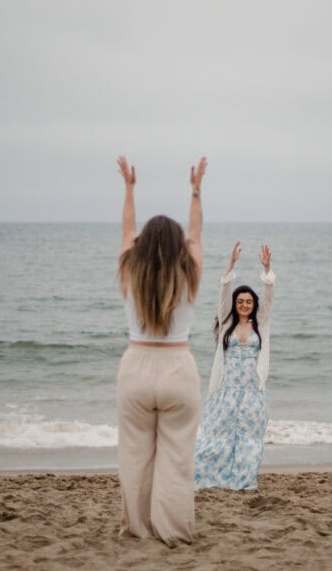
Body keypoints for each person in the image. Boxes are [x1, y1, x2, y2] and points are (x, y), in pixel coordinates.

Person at [116, 155, 205, 547]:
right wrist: (196, 190)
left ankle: (138, 527)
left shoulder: (129, 271)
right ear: (178, 246)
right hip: (177, 369)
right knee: (177, 458)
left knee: (135, 455)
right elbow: (197, 237)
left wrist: (130, 188)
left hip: (135, 367)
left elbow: (127, 230)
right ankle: (172, 530)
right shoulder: (189, 274)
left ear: (141, 246)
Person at [194, 240, 275, 490]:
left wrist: (267, 267)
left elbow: (270, 293)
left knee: (248, 440)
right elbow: (223, 290)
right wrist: (231, 264)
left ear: (253, 305)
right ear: (234, 303)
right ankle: (213, 479)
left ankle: (242, 482)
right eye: (240, 301)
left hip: (251, 392)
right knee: (215, 436)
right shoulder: (226, 320)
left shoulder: (260, 324)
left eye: (248, 301)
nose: (243, 305)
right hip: (226, 390)